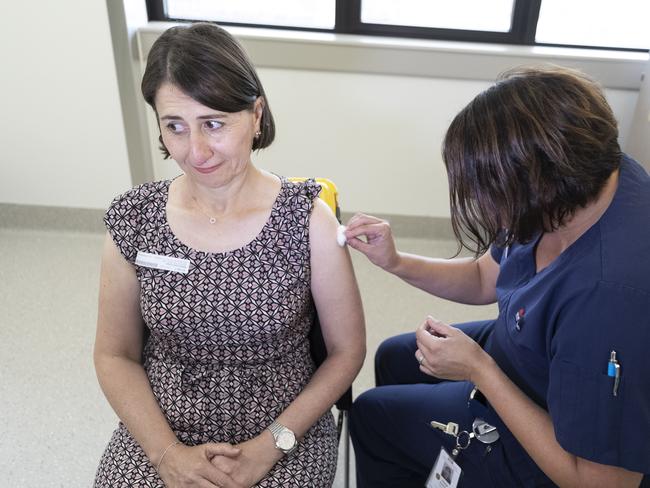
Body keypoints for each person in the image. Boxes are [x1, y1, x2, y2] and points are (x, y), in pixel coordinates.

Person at [344, 66, 649, 487]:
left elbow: (601, 483)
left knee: (374, 416)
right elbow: (485, 278)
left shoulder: (610, 305)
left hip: (554, 441)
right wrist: (395, 261)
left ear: (539, 186)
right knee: (395, 356)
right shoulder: (591, 170)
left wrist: (480, 370)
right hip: (530, 354)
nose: (487, 209)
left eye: (492, 195)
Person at [93, 22, 365, 488]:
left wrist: (270, 446)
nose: (196, 151)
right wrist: (165, 455)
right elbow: (114, 354)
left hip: (283, 424)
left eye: (213, 124)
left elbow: (346, 352)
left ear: (256, 114)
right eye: (174, 126)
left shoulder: (307, 219)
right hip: (164, 424)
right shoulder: (133, 219)